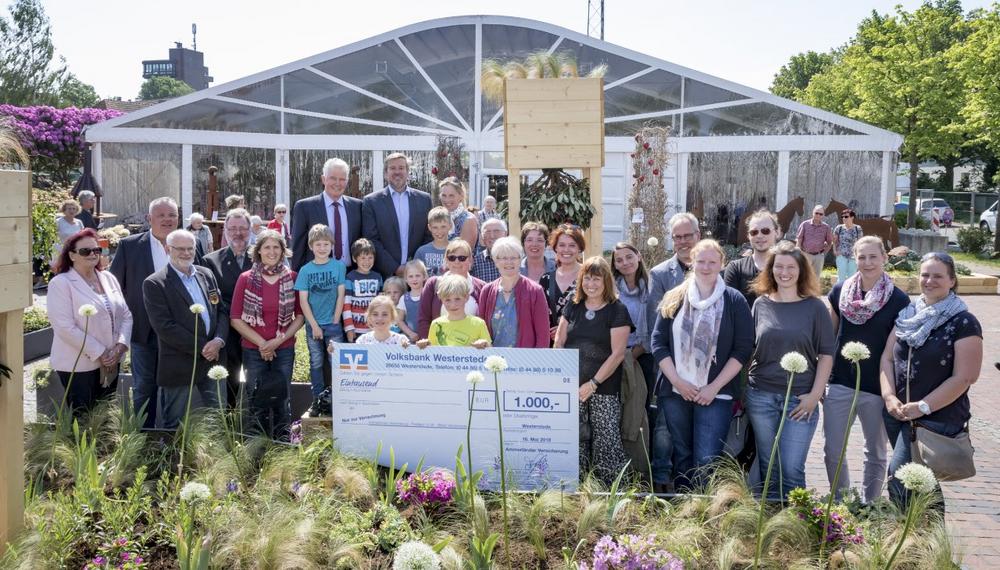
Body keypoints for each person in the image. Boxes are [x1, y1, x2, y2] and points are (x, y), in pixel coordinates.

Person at [880, 252, 983, 509]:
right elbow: (887, 359)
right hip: (899, 414)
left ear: (952, 280)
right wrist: (889, 396)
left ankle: (910, 530)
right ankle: (930, 533)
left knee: (901, 479)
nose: (929, 280)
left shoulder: (964, 322)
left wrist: (923, 406)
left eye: (938, 276)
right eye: (925, 274)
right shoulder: (907, 315)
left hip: (935, 417)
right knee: (922, 483)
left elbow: (966, 376)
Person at [651, 240, 753, 490]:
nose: (706, 267)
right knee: (682, 455)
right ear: (692, 263)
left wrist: (713, 388)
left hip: (716, 393)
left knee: (707, 459)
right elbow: (658, 342)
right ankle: (684, 506)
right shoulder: (674, 297)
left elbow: (742, 349)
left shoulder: (734, 300)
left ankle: (702, 507)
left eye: (712, 262)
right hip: (676, 391)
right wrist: (678, 382)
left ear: (722, 264)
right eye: (701, 261)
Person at [747, 241, 835, 499]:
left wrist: (814, 396)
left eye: (791, 267)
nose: (784, 272)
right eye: (779, 267)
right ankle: (771, 518)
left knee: (791, 468)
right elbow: (750, 348)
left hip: (800, 399)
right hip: (761, 396)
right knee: (769, 466)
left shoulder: (815, 307)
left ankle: (796, 519)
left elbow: (826, 355)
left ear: (801, 270)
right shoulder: (760, 304)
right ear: (770, 270)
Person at [824, 236, 909, 503]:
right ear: (855, 259)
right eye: (862, 257)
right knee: (833, 450)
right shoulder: (840, 291)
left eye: (873, 257)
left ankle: (869, 505)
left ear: (884, 258)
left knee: (875, 452)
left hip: (877, 387)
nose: (868, 262)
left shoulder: (899, 301)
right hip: (840, 382)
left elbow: (894, 352)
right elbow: (828, 338)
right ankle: (842, 504)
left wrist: (890, 391)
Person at [110, 197, 187, 428]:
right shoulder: (130, 246)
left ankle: (172, 437)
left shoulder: (189, 244)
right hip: (144, 331)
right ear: (149, 218)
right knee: (144, 386)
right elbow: (115, 288)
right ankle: (143, 435)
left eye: (172, 215)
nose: (167, 220)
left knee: (174, 388)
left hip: (178, 333)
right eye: (161, 215)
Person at [554, 256, 632, 485]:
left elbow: (618, 354)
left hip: (604, 387)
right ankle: (576, 489)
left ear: (606, 281)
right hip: (572, 387)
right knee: (574, 441)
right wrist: (566, 380)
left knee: (606, 441)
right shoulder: (573, 306)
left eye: (596, 279)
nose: (591, 284)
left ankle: (610, 491)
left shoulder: (617, 310)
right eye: (587, 278)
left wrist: (593, 384)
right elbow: (559, 342)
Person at [142, 230, 228, 429]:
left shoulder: (206, 274)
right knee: (174, 424)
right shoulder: (155, 283)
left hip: (213, 360)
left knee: (218, 420)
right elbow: (164, 326)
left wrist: (218, 341)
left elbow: (221, 311)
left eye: (190, 248)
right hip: (179, 364)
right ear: (167, 249)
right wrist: (204, 347)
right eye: (180, 249)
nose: (187, 253)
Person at [230, 229, 305, 440]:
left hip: (284, 349)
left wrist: (277, 342)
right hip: (253, 350)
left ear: (283, 251)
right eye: (267, 247)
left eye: (276, 247)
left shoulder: (292, 278)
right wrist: (264, 344)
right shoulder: (246, 279)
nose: (272, 252)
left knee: (283, 399)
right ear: (259, 251)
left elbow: (300, 316)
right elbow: (235, 318)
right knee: (255, 399)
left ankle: (282, 444)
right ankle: (256, 444)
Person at [48, 229, 131, 414]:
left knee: (106, 416)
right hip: (79, 365)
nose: (93, 254)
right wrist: (102, 353)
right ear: (72, 255)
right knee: (84, 419)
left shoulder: (108, 278)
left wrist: (119, 347)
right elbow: (65, 327)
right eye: (85, 251)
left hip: (112, 361)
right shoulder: (61, 283)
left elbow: (126, 315)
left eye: (97, 250)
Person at [200, 208, 253, 407]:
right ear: (225, 231)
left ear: (250, 230)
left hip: (258, 331)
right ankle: (229, 420)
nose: (238, 233)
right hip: (228, 331)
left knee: (257, 380)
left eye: (243, 228)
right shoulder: (210, 261)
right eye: (232, 229)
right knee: (230, 382)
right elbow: (213, 301)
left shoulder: (262, 255)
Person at [294, 224, 346, 406]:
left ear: (332, 245)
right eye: (318, 244)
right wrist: (314, 325)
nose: (322, 248)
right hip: (313, 325)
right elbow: (303, 301)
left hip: (333, 324)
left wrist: (335, 320)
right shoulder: (305, 270)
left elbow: (341, 295)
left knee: (336, 362)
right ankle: (318, 399)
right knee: (316, 362)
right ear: (311, 246)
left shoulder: (338, 266)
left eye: (326, 244)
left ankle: (338, 398)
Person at [361, 152, 433, 279]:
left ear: (408, 172)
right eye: (392, 168)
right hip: (385, 274)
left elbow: (429, 236)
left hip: (417, 275)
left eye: (401, 168)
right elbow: (371, 240)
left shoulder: (424, 200)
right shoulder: (372, 202)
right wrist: (394, 268)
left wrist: (415, 266)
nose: (397, 172)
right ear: (385, 173)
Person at [612, 242, 657, 442]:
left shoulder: (653, 288)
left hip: (643, 356)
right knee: (617, 407)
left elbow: (655, 326)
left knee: (639, 407)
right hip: (615, 356)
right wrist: (621, 355)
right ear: (614, 264)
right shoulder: (611, 289)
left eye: (629, 257)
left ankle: (640, 453)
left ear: (638, 256)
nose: (625, 262)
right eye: (619, 260)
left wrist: (633, 355)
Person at [291, 158, 362, 272]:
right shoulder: (304, 207)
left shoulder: (358, 206)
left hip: (351, 274)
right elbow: (298, 247)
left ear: (347, 181)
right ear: (323, 179)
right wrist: (298, 275)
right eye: (333, 178)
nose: (337, 183)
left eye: (342, 179)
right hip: (318, 274)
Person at [477, 237, 549, 348]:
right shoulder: (487, 291)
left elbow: (543, 336)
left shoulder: (535, 291)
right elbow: (480, 330)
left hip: (525, 357)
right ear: (496, 261)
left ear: (520, 260)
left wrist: (538, 358)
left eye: (513, 258)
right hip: (493, 357)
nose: (509, 262)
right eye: (504, 258)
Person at [417, 239, 487, 338]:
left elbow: (486, 322)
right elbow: (424, 319)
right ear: (446, 260)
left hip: (472, 346)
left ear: (470, 260)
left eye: (462, 258)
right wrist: (428, 344)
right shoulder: (433, 284)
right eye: (452, 258)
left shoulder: (482, 287)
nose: (457, 261)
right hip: (439, 345)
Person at [647, 213, 700, 337]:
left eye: (687, 236)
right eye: (677, 237)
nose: (682, 241)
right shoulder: (659, 274)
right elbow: (654, 323)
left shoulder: (714, 270)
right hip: (673, 345)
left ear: (698, 235)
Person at [417, 273, 491, 348]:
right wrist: (425, 346)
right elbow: (432, 352)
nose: (453, 304)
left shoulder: (479, 324)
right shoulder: (436, 325)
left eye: (457, 299)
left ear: (466, 297)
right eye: (447, 300)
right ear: (441, 299)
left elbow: (490, 351)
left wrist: (485, 345)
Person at [540, 224, 586, 341]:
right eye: (561, 245)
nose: (566, 250)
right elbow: (540, 314)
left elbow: (599, 312)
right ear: (555, 248)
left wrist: (566, 329)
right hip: (553, 345)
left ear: (579, 248)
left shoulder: (589, 276)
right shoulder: (545, 279)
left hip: (582, 343)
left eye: (572, 245)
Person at [724, 210, 779, 307]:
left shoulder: (787, 268)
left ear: (776, 232)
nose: (760, 236)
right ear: (748, 236)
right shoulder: (735, 268)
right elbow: (729, 307)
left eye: (765, 231)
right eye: (754, 232)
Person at [343, 238, 383, 342]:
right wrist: (349, 328)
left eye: (370, 258)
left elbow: (381, 304)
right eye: (363, 258)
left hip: (374, 330)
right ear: (354, 258)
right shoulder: (350, 278)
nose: (367, 261)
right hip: (356, 330)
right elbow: (346, 305)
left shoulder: (378, 277)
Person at [439, 177, 479, 248]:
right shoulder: (440, 217)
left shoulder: (468, 219)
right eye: (444, 195)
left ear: (461, 196)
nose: (447, 200)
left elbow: (464, 252)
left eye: (451, 195)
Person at [796, 204, 833, 278]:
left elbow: (829, 242)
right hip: (806, 254)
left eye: (820, 214)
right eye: (816, 213)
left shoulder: (826, 227)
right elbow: (799, 239)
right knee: (803, 276)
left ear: (823, 215)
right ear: (813, 213)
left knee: (816, 278)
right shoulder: (805, 224)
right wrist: (799, 252)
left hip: (818, 257)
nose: (818, 215)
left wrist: (823, 254)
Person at [413, 207, 452, 277]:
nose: (439, 231)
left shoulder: (455, 250)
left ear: (450, 226)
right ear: (429, 227)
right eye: (435, 227)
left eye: (443, 227)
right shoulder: (421, 252)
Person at [396, 260, 426, 343]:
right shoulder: (404, 299)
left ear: (424, 276)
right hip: (411, 341)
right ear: (406, 279)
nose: (414, 279)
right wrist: (410, 333)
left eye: (417, 275)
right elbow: (399, 320)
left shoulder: (429, 296)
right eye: (411, 276)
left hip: (428, 340)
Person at [471, 218, 507, 283]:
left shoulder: (515, 259)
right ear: (482, 236)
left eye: (496, 231)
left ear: (505, 234)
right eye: (488, 232)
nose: (492, 236)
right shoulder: (475, 262)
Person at [832, 208, 863, 283]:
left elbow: (861, 242)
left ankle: (850, 290)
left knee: (852, 278)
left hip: (853, 256)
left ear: (852, 217)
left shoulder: (858, 228)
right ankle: (840, 290)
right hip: (841, 255)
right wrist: (835, 251)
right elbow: (834, 241)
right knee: (841, 277)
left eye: (846, 216)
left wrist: (859, 254)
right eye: (842, 217)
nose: (844, 218)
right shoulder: (839, 228)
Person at [55, 199, 85, 265]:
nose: (72, 211)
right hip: (61, 251)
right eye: (69, 209)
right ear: (64, 210)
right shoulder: (58, 222)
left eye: (74, 208)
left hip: (75, 252)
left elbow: (82, 237)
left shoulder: (79, 222)